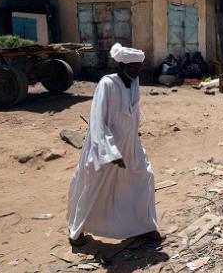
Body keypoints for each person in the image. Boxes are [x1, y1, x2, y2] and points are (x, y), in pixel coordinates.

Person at [67, 43, 164, 247]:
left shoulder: (134, 82)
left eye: (138, 67)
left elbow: (132, 114)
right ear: (121, 65)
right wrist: (109, 151)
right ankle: (76, 232)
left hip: (130, 145)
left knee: (143, 176)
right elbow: (97, 119)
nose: (136, 71)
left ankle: (144, 226)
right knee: (94, 186)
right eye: (132, 67)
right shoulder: (107, 83)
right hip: (104, 147)